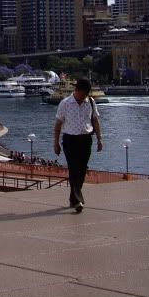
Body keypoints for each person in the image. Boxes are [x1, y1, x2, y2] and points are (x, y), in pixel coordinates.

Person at [53, 77, 103, 213]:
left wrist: (99, 139)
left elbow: (95, 121)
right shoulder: (65, 103)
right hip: (70, 140)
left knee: (81, 170)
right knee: (74, 168)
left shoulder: (91, 102)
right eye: (82, 94)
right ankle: (78, 200)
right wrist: (56, 143)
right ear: (76, 90)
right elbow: (58, 125)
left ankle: (73, 198)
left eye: (86, 94)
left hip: (86, 139)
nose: (83, 97)